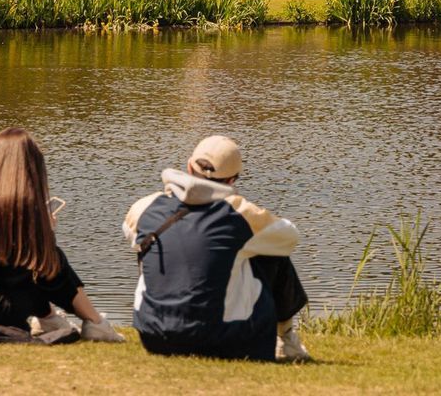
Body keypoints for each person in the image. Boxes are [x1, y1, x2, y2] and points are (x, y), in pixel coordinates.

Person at [124, 135, 308, 362]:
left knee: (157, 249)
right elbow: (290, 237)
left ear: (189, 166)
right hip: (220, 340)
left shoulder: (146, 206)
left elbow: (131, 234)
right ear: (232, 180)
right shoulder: (239, 214)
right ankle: (286, 339)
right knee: (270, 253)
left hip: (154, 336)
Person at [0, 127, 121, 341]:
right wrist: (46, 233)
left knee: (26, 267)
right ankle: (95, 322)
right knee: (49, 259)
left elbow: (8, 267)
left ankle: (50, 319)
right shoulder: (14, 205)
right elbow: (46, 268)